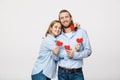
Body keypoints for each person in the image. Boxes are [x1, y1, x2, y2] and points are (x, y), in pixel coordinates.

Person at [57, 9, 92, 80]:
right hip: (62, 73)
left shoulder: (81, 32)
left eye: (66, 17)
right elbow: (55, 54)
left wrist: (75, 55)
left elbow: (88, 51)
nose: (64, 19)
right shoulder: (58, 35)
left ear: (71, 18)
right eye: (62, 18)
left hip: (77, 73)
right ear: (60, 20)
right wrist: (66, 54)